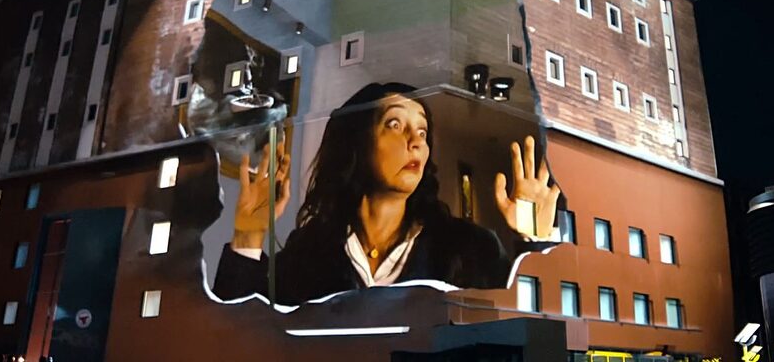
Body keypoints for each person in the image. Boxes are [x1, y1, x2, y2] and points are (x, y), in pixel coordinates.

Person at [212, 82, 561, 305]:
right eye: (395, 124)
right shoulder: (308, 251)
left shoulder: (470, 247)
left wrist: (535, 241)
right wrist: (249, 234)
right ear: (356, 141)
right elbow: (240, 336)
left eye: (423, 132)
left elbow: (534, 327)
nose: (415, 141)